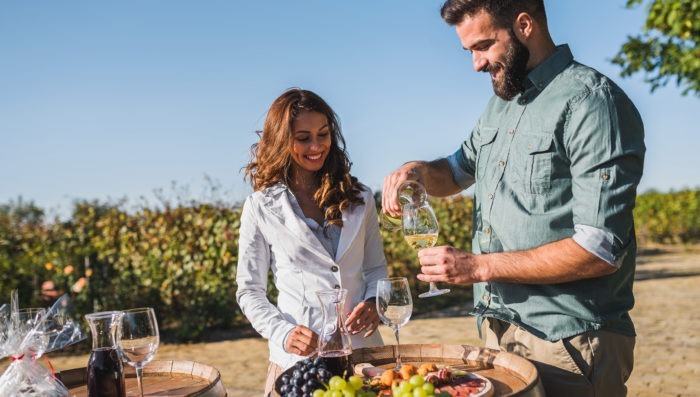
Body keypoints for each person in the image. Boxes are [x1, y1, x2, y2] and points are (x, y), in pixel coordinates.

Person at [382, 1, 645, 396]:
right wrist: (416, 170)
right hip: (499, 336)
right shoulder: (501, 105)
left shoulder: (592, 103)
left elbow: (600, 248)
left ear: (524, 25)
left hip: (567, 343)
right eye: (469, 51)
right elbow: (455, 171)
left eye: (484, 46)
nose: (476, 64)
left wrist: (477, 267)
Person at [235, 88, 388, 395]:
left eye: (323, 134)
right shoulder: (261, 207)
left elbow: (376, 270)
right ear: (281, 140)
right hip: (298, 363)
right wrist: (283, 333)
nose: (317, 146)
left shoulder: (361, 198)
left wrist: (374, 302)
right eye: (303, 138)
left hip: (363, 358)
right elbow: (249, 290)